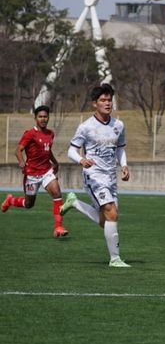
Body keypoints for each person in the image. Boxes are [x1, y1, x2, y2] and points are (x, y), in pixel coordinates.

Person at [62, 83, 130, 267]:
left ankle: (74, 202)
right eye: (103, 100)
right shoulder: (86, 127)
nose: (107, 103)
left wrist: (124, 165)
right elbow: (71, 151)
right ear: (94, 103)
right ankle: (115, 259)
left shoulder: (119, 125)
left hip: (110, 177)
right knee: (112, 214)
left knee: (106, 220)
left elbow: (120, 150)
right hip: (93, 177)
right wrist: (81, 160)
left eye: (109, 100)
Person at [1, 105, 69, 237]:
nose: (43, 119)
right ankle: (10, 201)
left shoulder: (50, 134)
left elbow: (47, 151)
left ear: (48, 117)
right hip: (31, 174)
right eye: (40, 117)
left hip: (46, 171)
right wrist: (22, 162)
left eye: (45, 116)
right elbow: (18, 150)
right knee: (29, 204)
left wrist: (55, 162)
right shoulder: (30, 134)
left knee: (57, 194)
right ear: (35, 118)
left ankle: (58, 227)